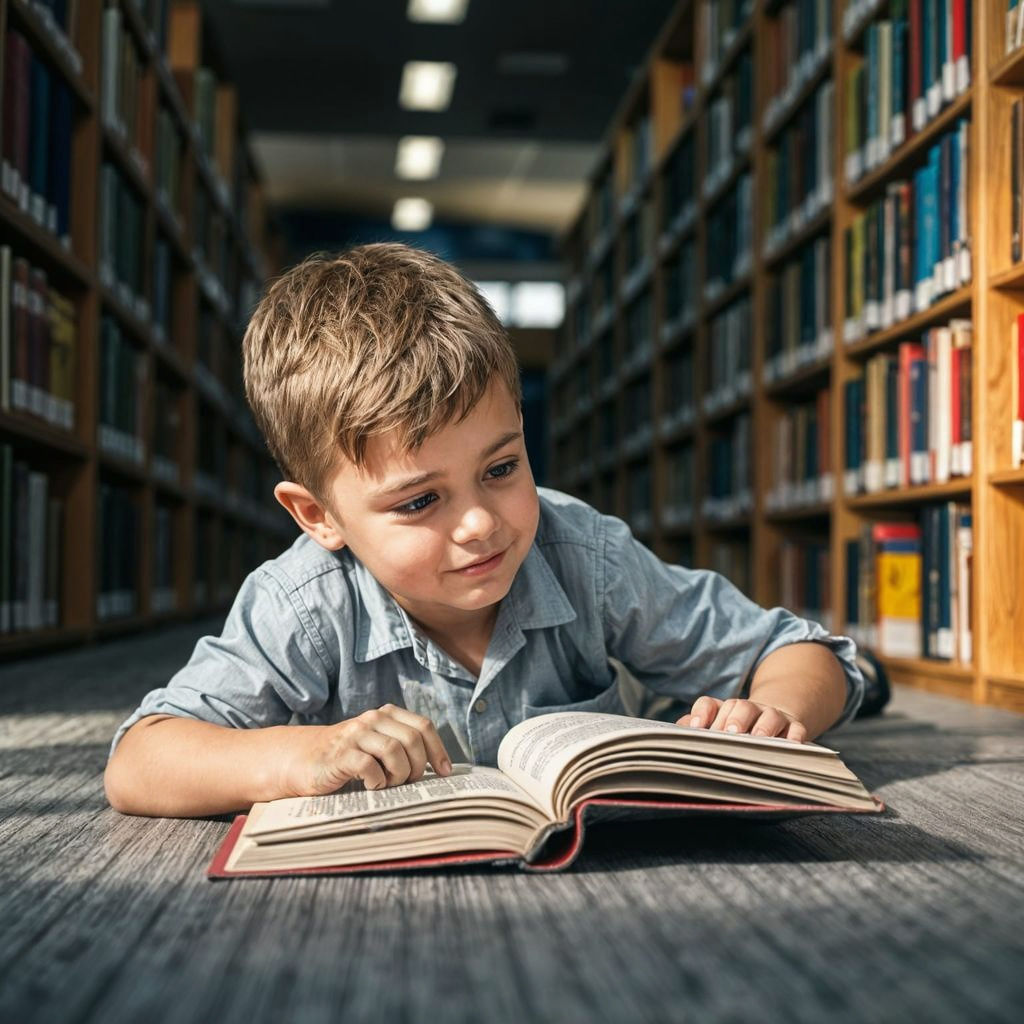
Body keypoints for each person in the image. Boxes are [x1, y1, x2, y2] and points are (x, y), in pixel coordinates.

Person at [104, 243, 864, 818]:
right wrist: (301, 755)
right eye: (418, 503)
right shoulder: (303, 602)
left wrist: (778, 715)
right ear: (319, 516)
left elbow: (801, 651)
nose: (479, 523)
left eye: (501, 468)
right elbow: (140, 760)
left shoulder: (583, 552)